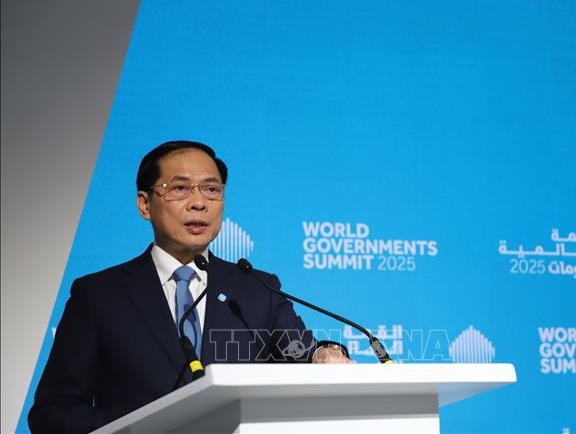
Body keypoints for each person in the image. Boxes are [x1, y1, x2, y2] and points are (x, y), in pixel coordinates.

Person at [28, 140, 351, 434]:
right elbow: (53, 411)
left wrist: (325, 354)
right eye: (180, 188)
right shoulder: (99, 294)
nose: (199, 203)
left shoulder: (257, 289)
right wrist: (142, 427)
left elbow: (303, 354)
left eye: (211, 190)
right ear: (144, 204)